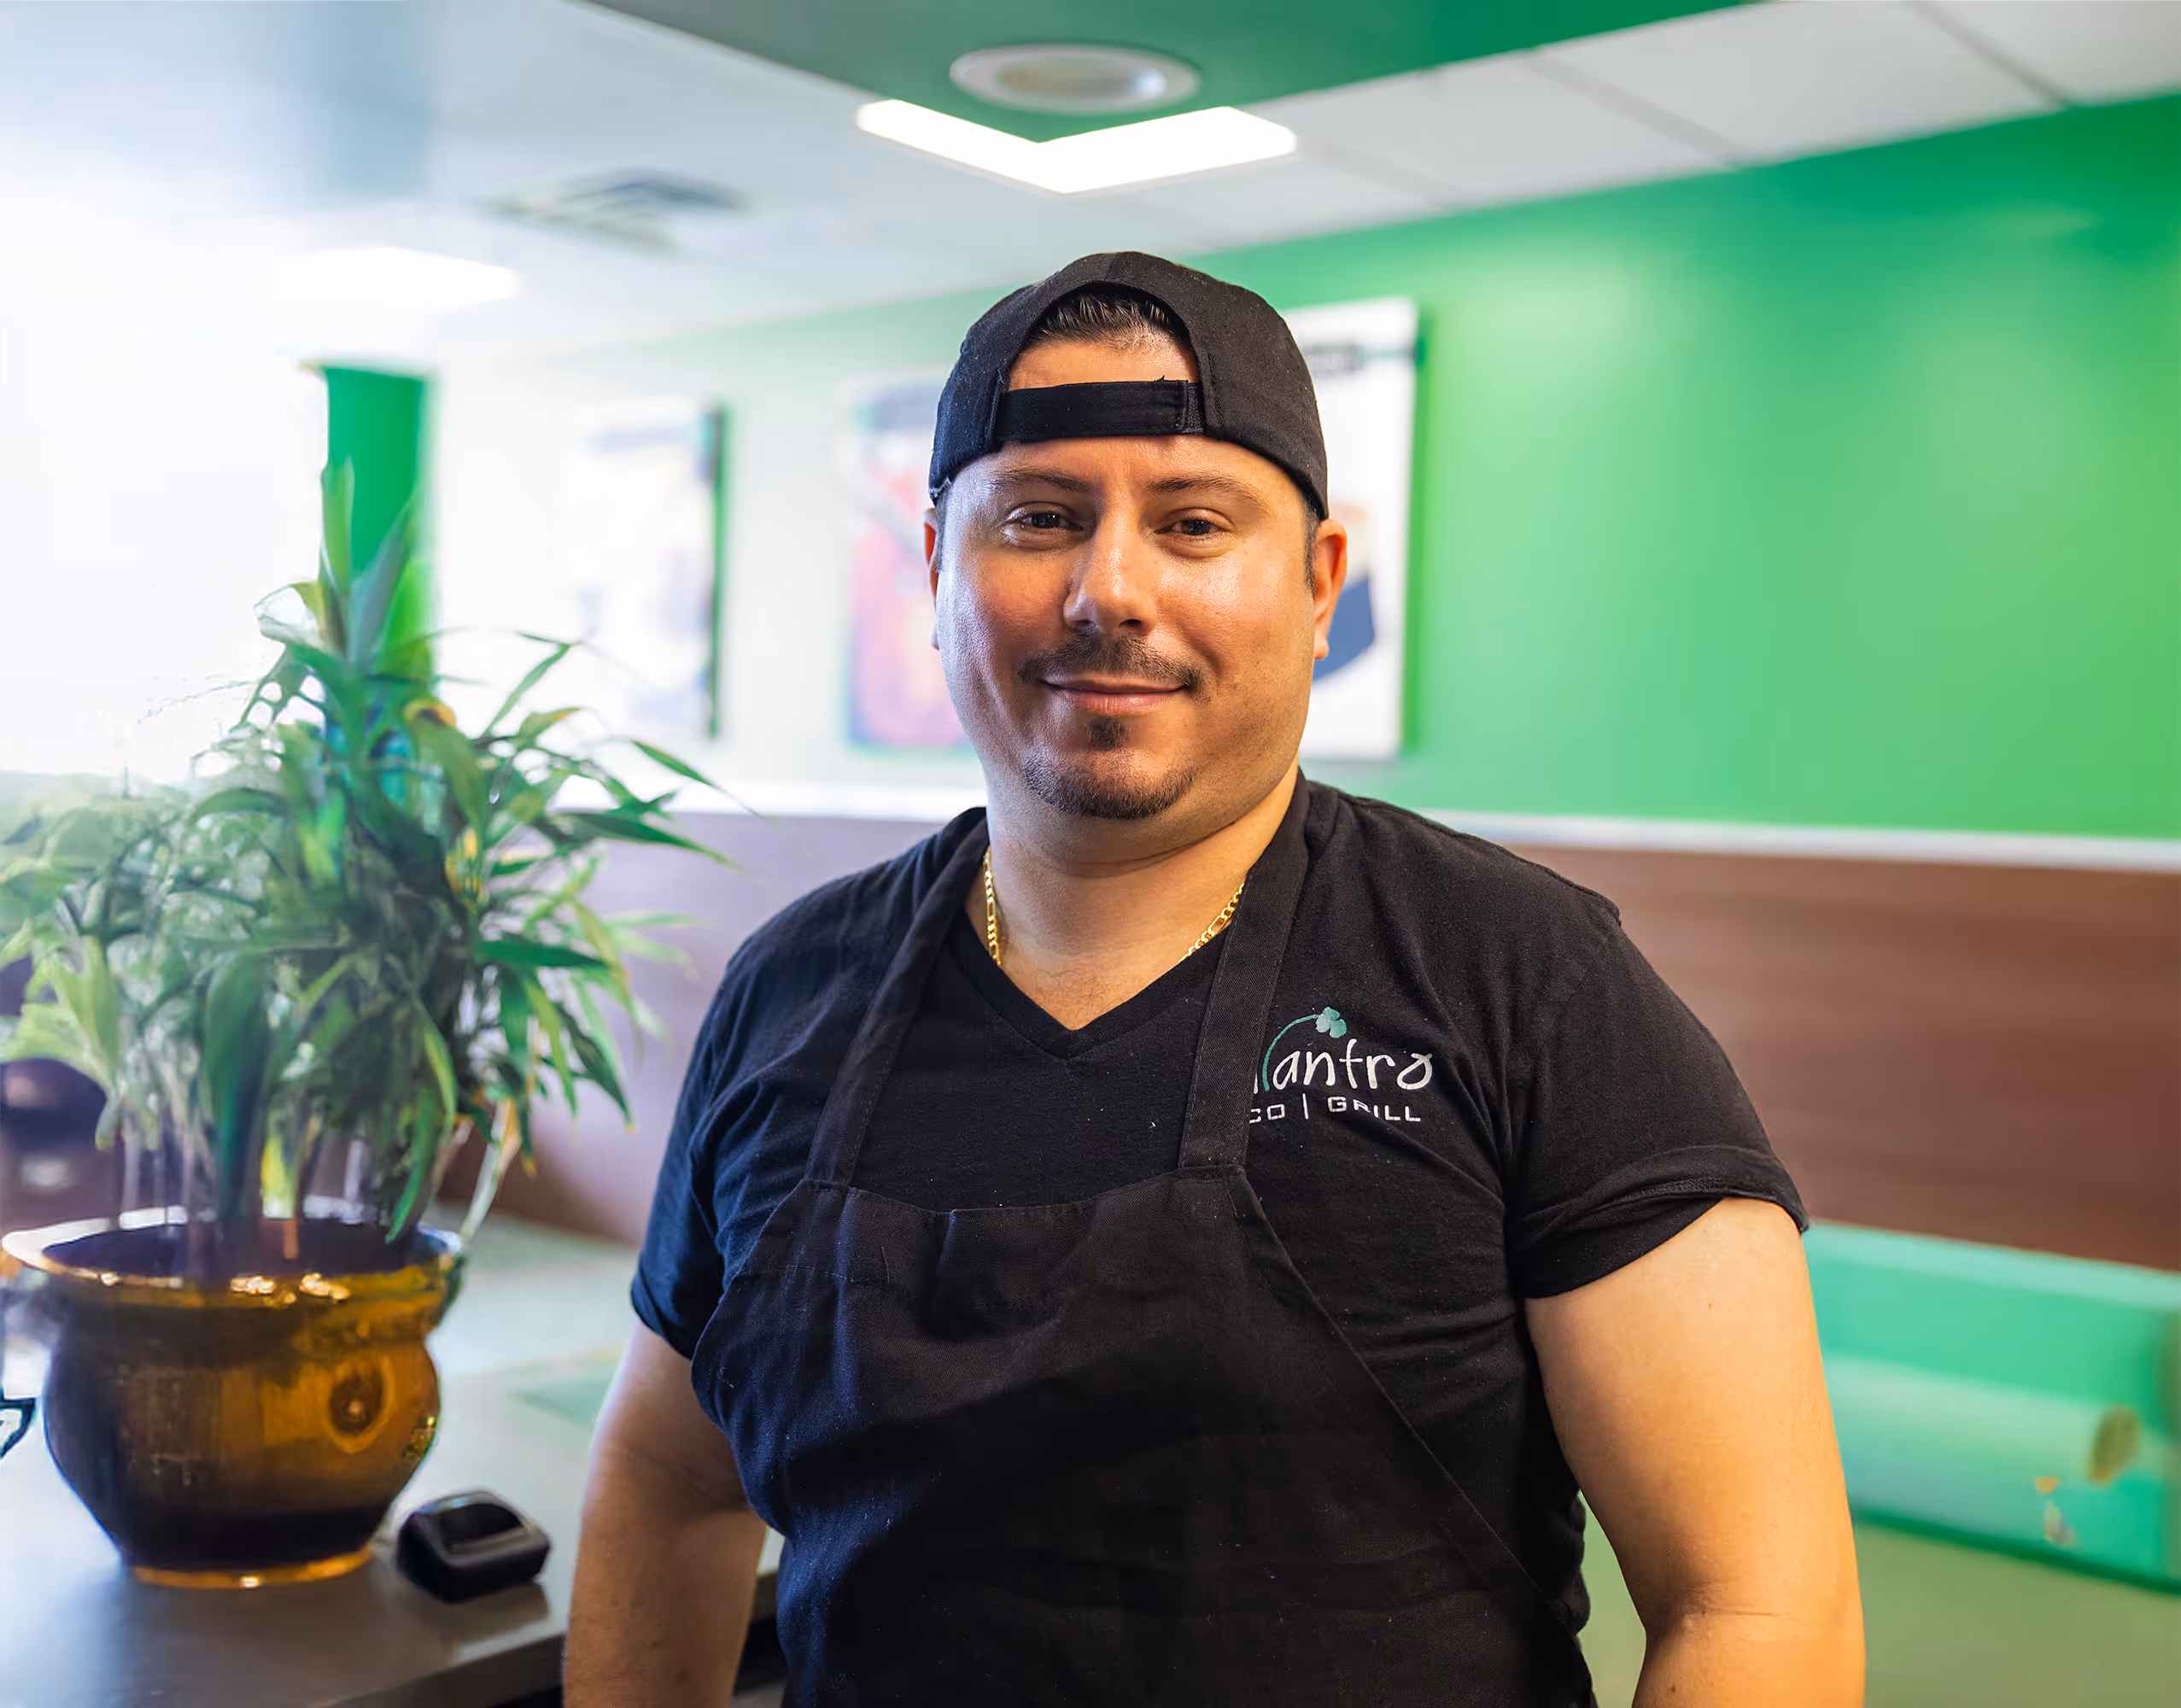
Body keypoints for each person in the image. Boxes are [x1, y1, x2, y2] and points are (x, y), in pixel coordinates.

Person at [566, 252, 1863, 1707]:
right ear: (934, 568)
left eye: (1191, 524)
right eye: (1039, 520)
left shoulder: (1524, 980)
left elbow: (1754, 1604)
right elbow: (671, 1482)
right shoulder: (789, 987)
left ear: (1316, 585)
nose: (1108, 591)